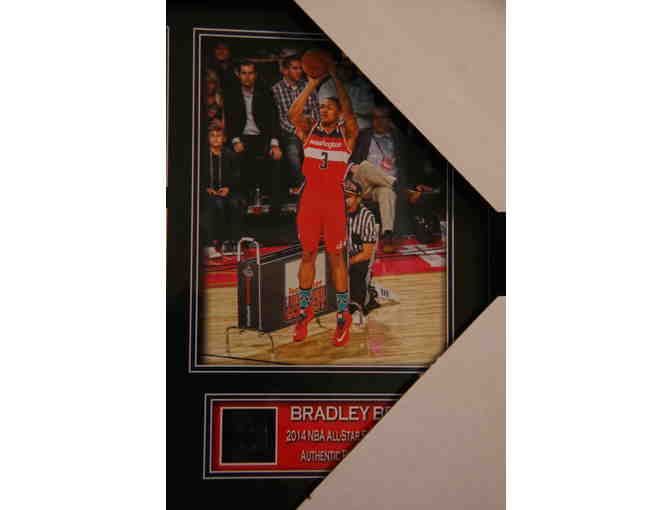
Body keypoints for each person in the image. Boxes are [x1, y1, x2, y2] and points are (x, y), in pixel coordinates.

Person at [288, 60, 359, 346]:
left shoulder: (347, 133)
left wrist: (336, 80)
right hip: (310, 200)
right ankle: (304, 311)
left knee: (335, 258)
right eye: (321, 107)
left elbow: (350, 112)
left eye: (329, 107)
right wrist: (313, 83)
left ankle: (343, 316)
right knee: (307, 254)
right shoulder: (309, 129)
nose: (324, 110)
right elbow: (293, 114)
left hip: (333, 201)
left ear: (338, 112)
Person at [224, 61, 285, 215]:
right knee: (236, 157)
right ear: (238, 75)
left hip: (262, 137)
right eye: (244, 73)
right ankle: (242, 202)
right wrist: (235, 140)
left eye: (250, 73)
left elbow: (273, 119)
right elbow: (230, 121)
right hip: (242, 137)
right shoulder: (231, 93)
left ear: (255, 75)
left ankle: (275, 205)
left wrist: (274, 143)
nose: (247, 77)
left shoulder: (265, 92)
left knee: (276, 157)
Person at [271, 55, 320, 191]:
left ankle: (318, 186)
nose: (299, 71)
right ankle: (304, 186)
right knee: (293, 154)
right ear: (285, 70)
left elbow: (315, 110)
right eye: (295, 68)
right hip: (290, 132)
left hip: (310, 130)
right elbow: (280, 118)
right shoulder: (276, 90)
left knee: (319, 153)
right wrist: (297, 131)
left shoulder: (307, 86)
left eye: (300, 68)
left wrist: (311, 130)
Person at [201, 125, 247, 258]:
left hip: (225, 191)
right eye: (212, 136)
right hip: (206, 192)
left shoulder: (230, 155)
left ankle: (230, 243)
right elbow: (196, 175)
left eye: (218, 136)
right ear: (207, 138)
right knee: (211, 204)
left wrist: (228, 188)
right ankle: (209, 245)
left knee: (235, 203)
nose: (216, 139)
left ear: (224, 138)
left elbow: (237, 176)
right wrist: (205, 188)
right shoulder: (202, 155)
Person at [343, 180, 378, 326]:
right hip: (343, 254)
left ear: (358, 198)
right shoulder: (336, 212)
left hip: (360, 256)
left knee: (357, 272)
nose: (344, 199)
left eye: (348, 197)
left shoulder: (367, 217)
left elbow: (367, 254)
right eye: (343, 196)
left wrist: (347, 264)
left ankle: (358, 307)